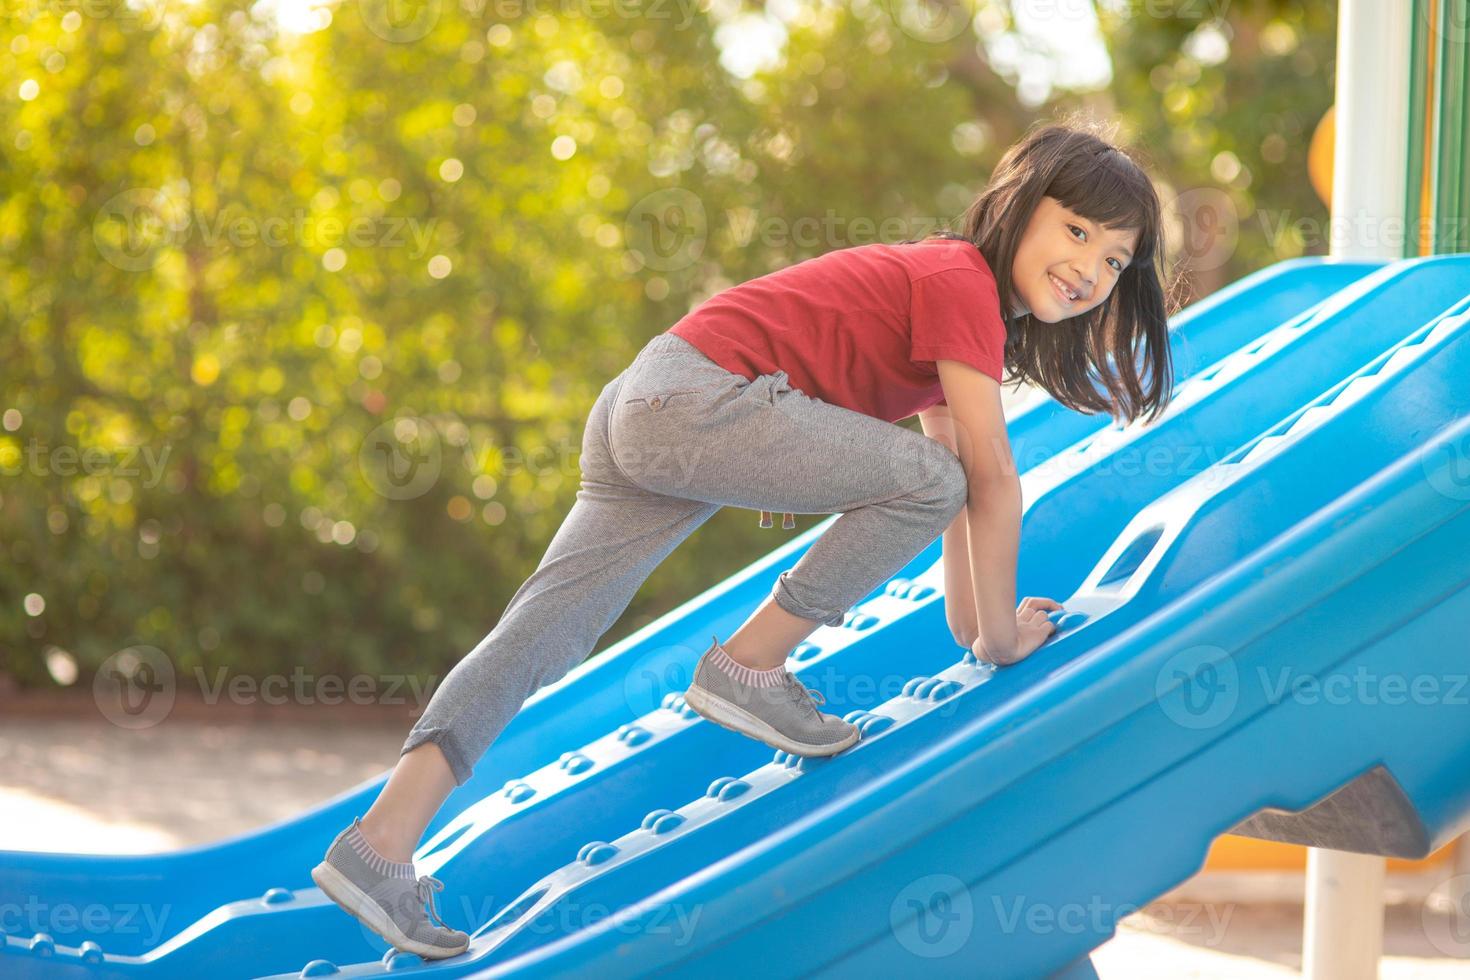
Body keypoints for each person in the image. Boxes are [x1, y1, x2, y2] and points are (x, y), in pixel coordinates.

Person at [311, 117, 1178, 958]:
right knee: (931, 479)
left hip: (649, 398)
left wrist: (973, 633)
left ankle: (380, 845)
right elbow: (987, 477)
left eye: (1114, 259)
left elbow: (950, 488)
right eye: (1075, 230)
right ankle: (750, 666)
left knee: (542, 631)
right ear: (1019, 205)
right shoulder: (958, 280)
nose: (1091, 270)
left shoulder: (949, 305)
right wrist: (1001, 641)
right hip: (695, 401)